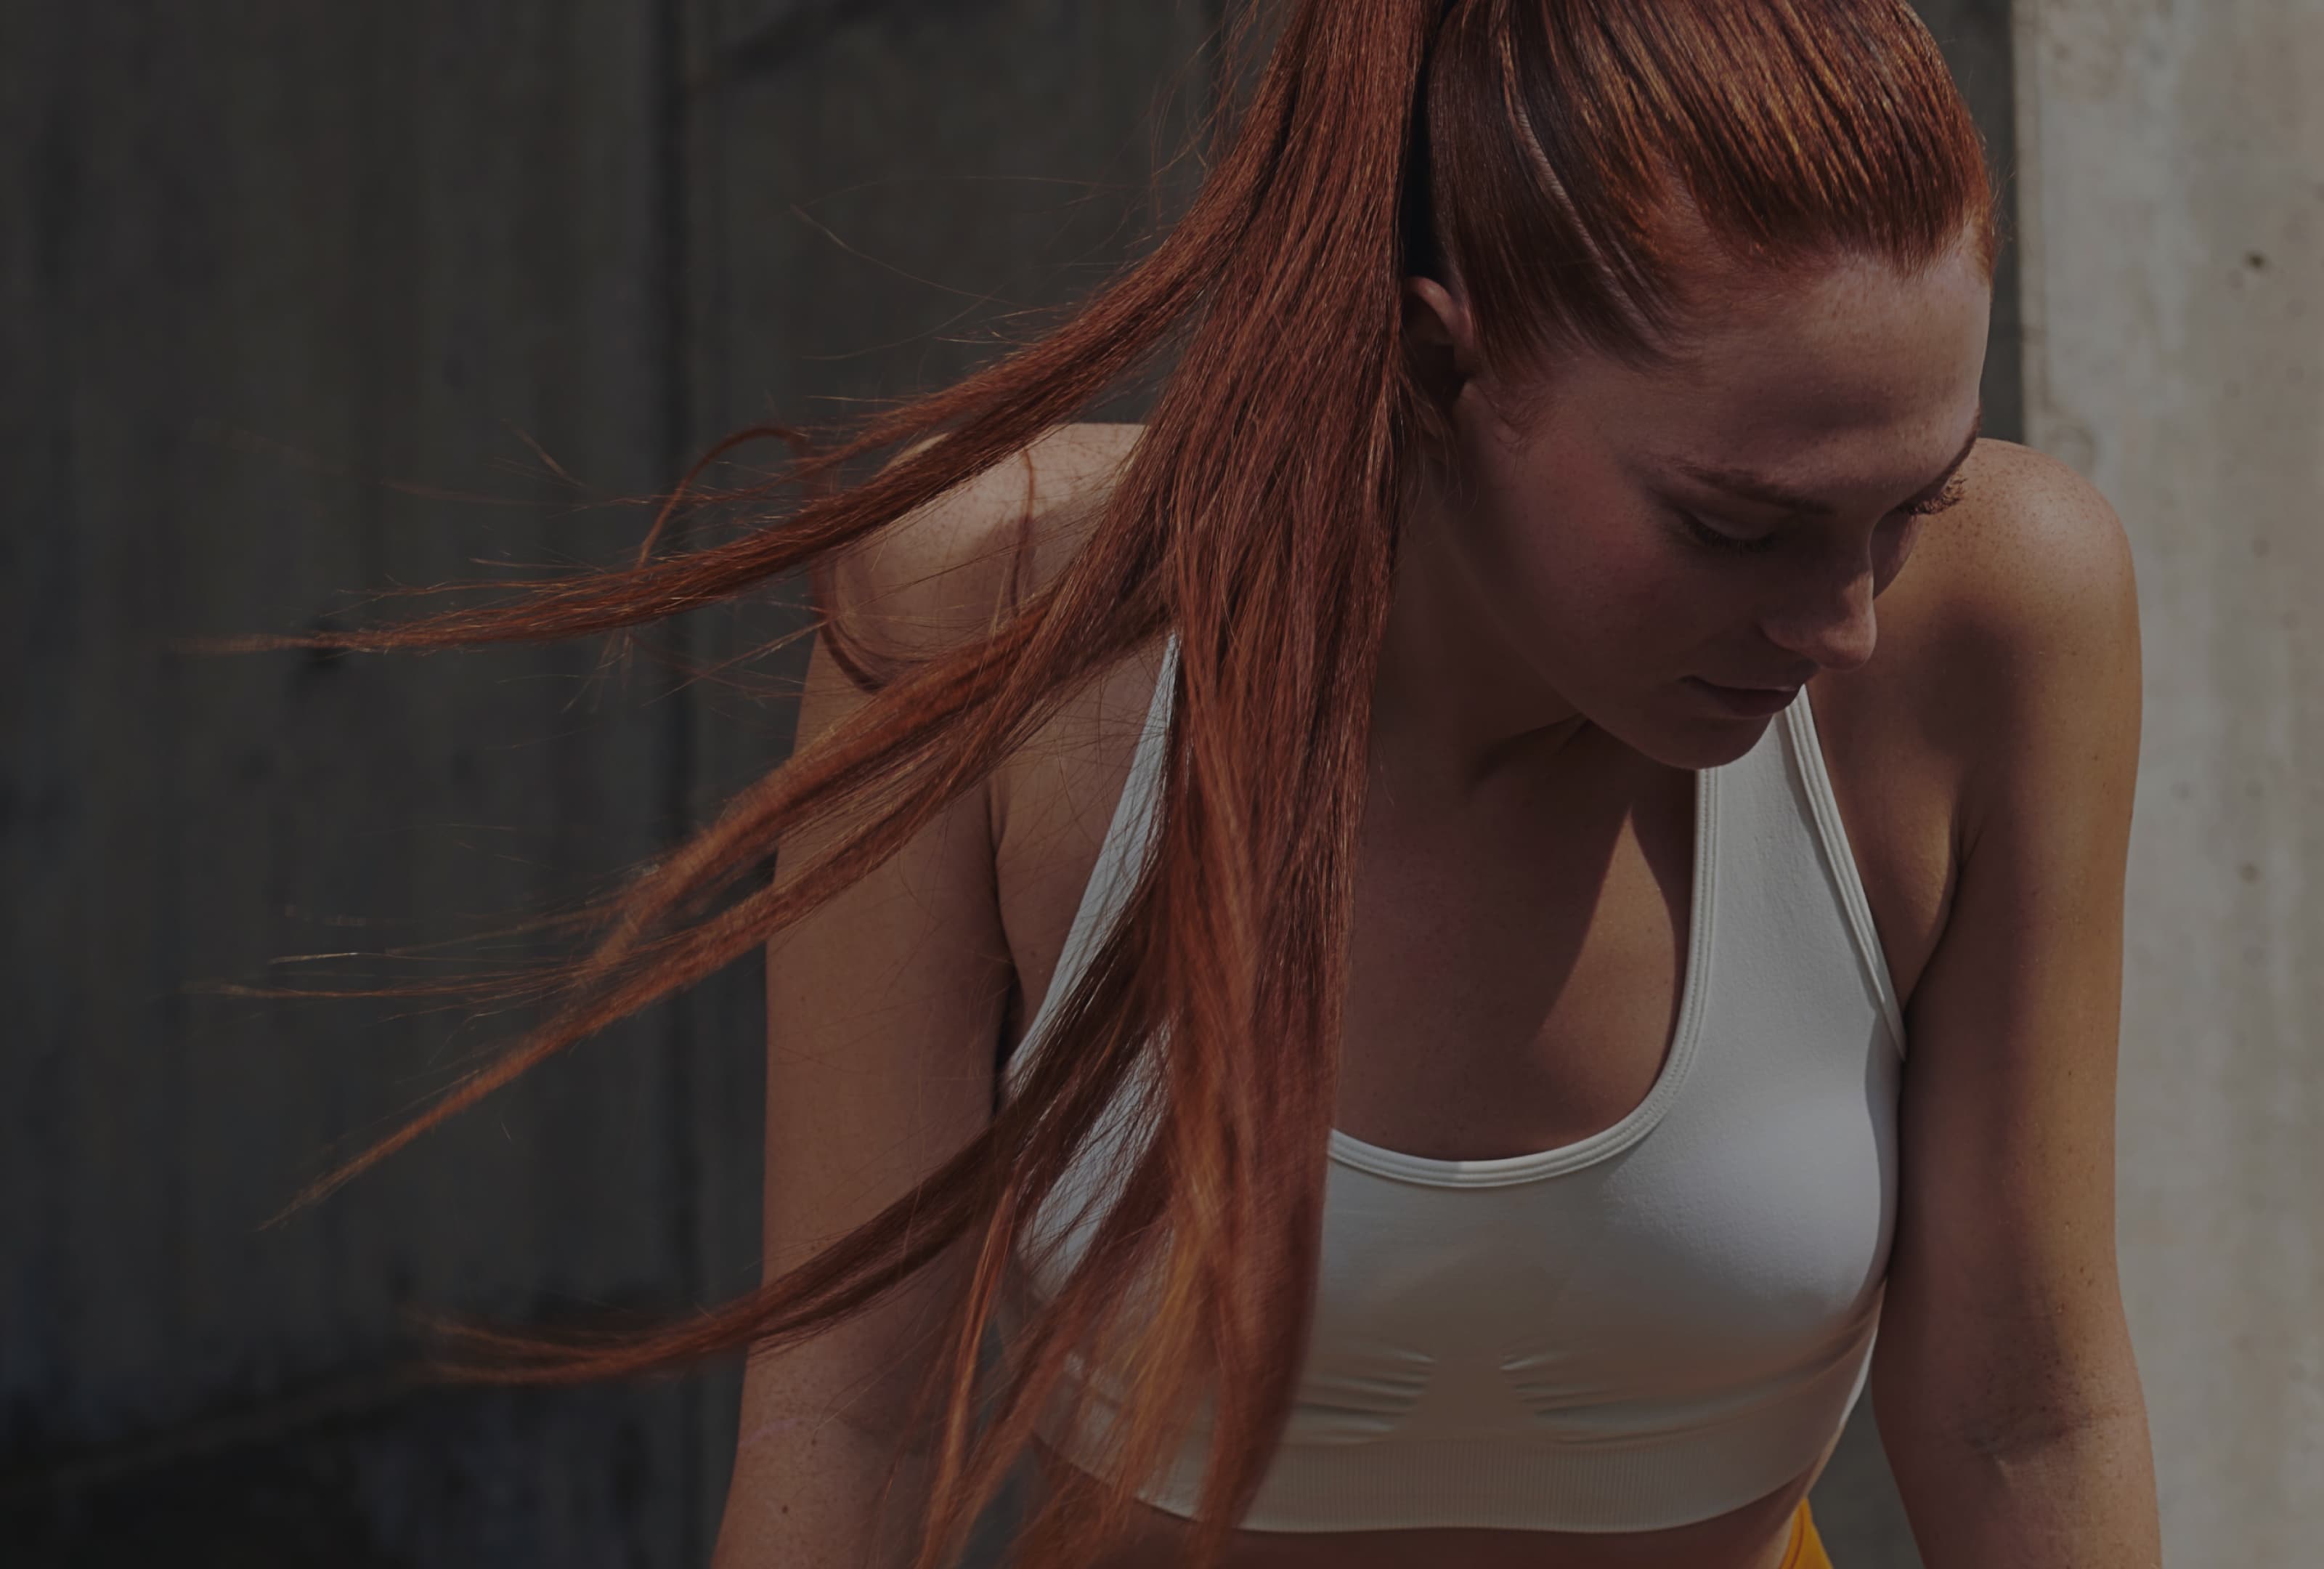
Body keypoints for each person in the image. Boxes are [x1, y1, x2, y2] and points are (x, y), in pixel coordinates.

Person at [304, 1, 2161, 1565]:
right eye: (1736, 523)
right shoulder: (1000, 616)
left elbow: (2021, 1420)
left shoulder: (2001, 623)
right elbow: (850, 1425)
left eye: (1903, 506)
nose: (1839, 620)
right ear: (1444, 360)